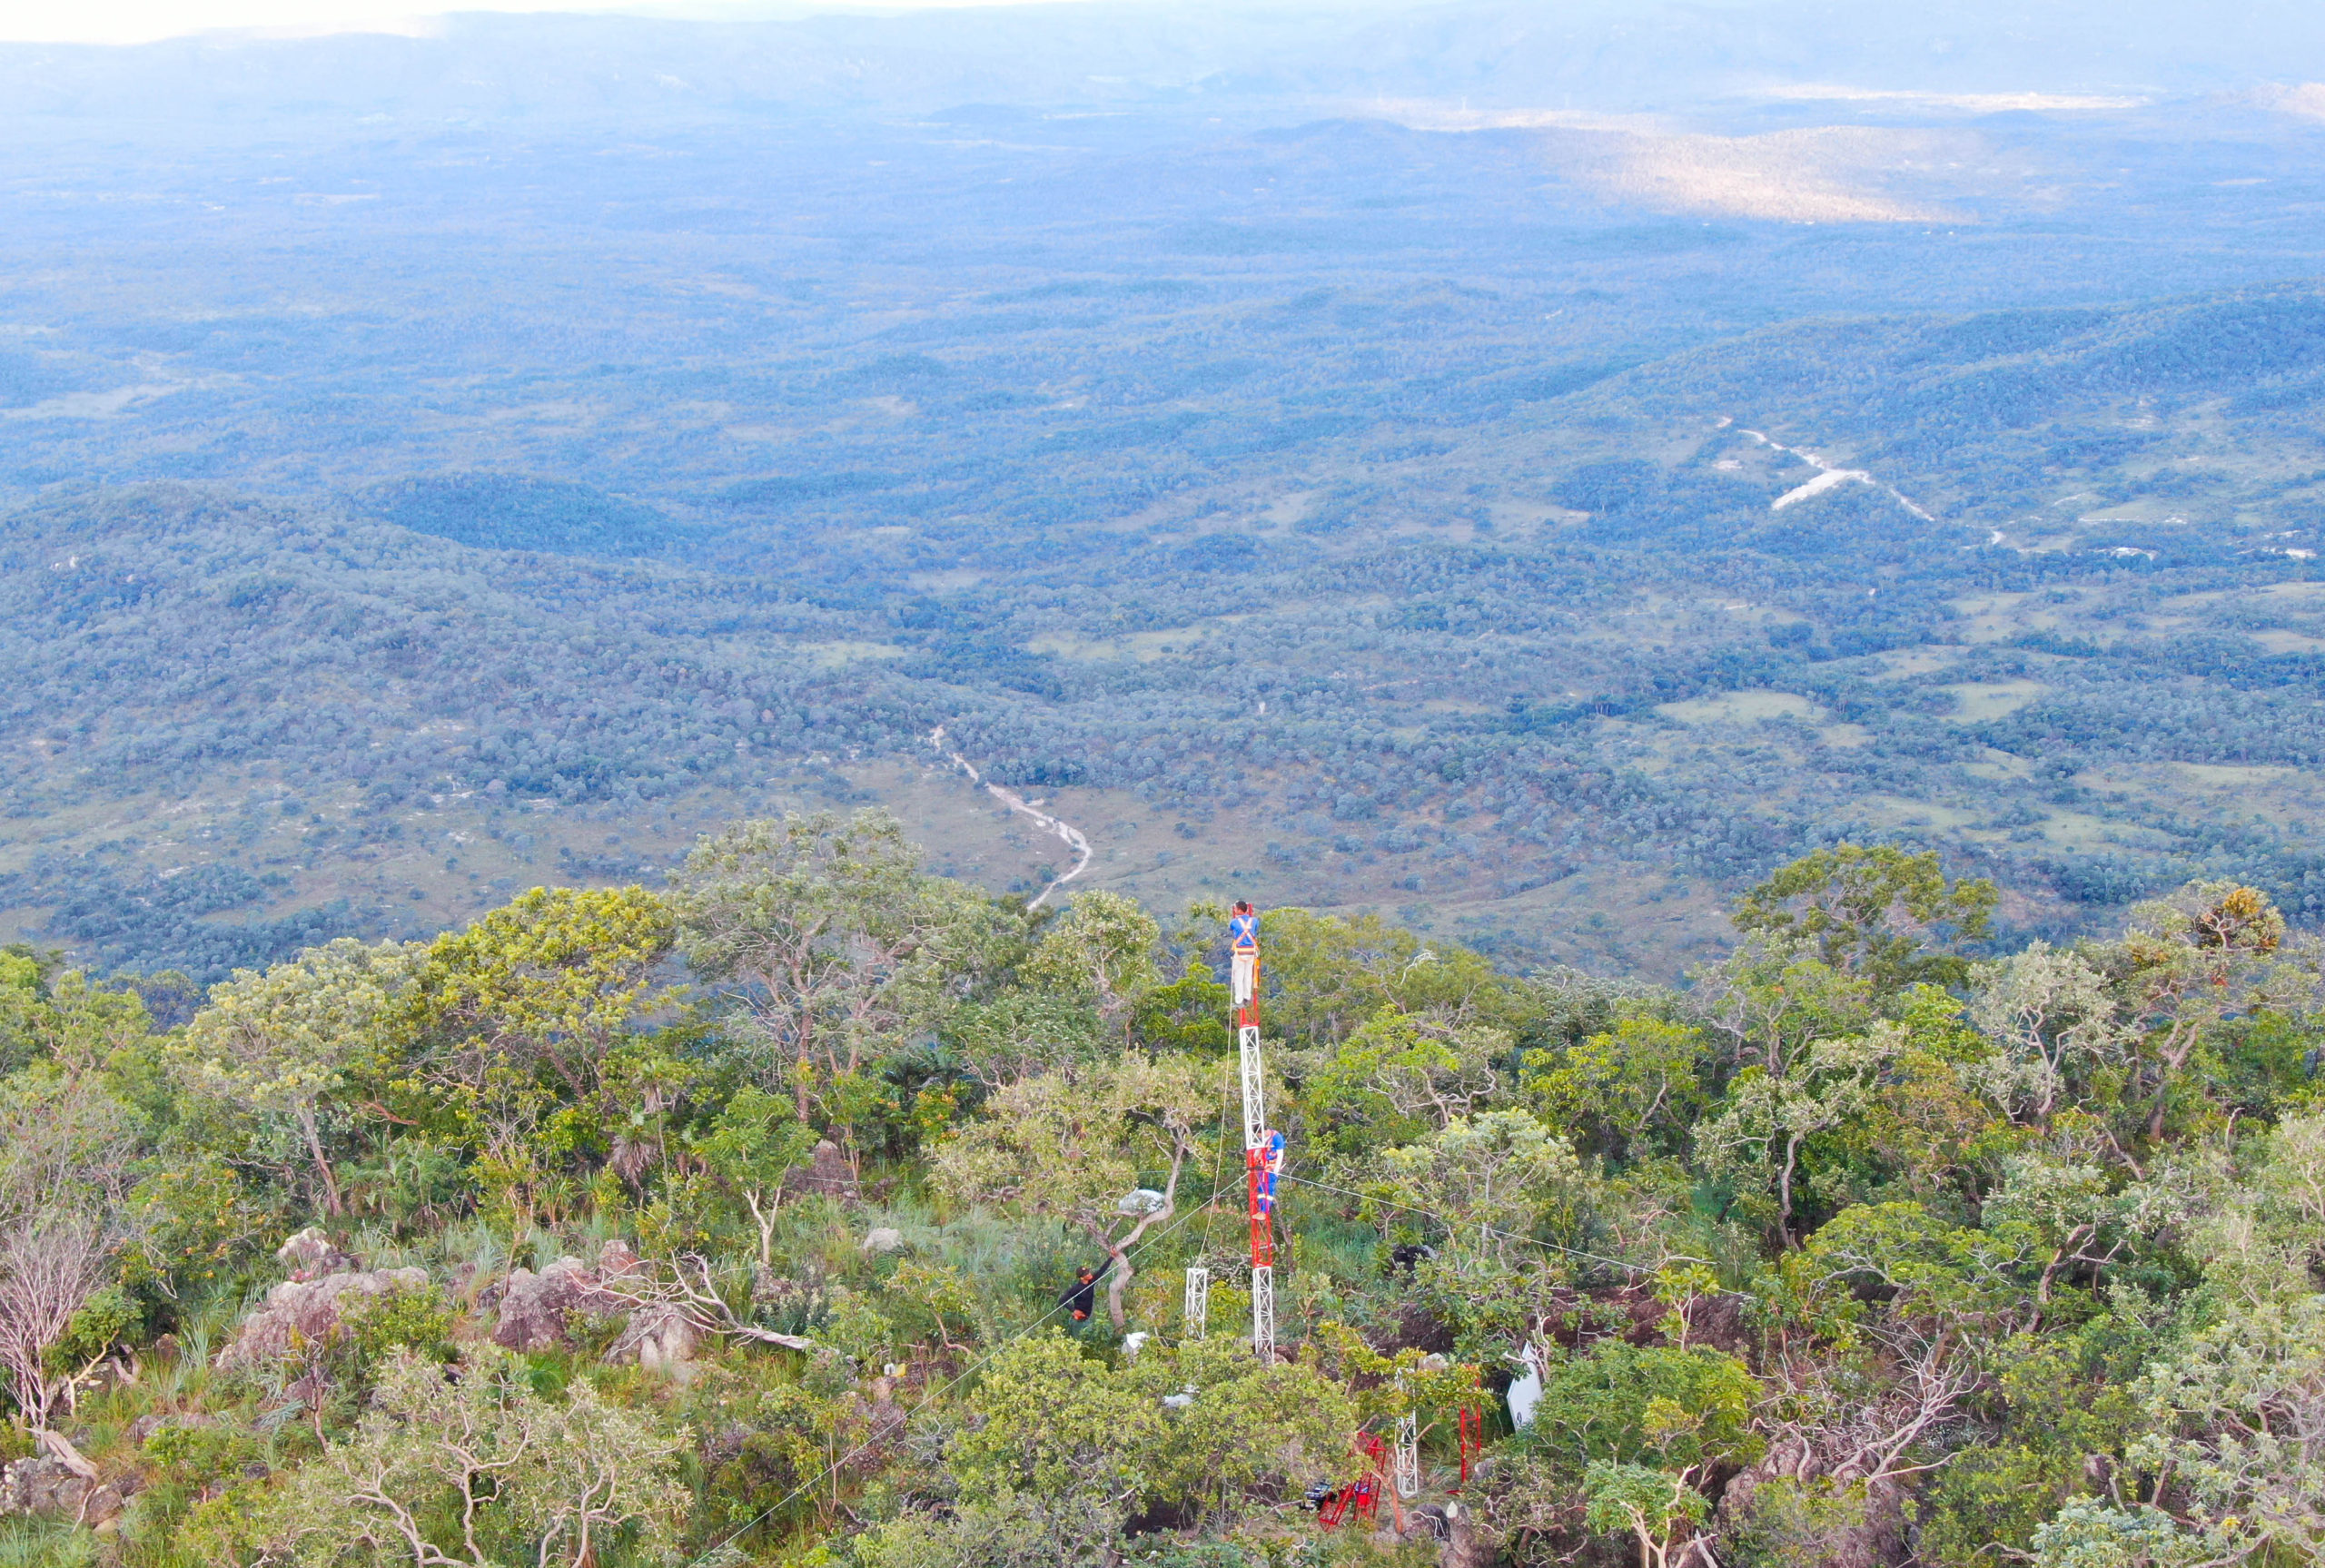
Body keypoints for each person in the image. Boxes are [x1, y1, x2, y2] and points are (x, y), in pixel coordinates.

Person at [1228, 900, 1260, 1008]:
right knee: (1248, 975)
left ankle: (1239, 1001)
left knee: (1239, 976)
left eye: (1236, 909)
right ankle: (1247, 997)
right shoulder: (1254, 921)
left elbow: (1231, 929)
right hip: (1251, 952)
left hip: (1240, 952)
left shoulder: (1234, 922)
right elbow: (1255, 929)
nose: (1235, 911)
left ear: (1240, 910)